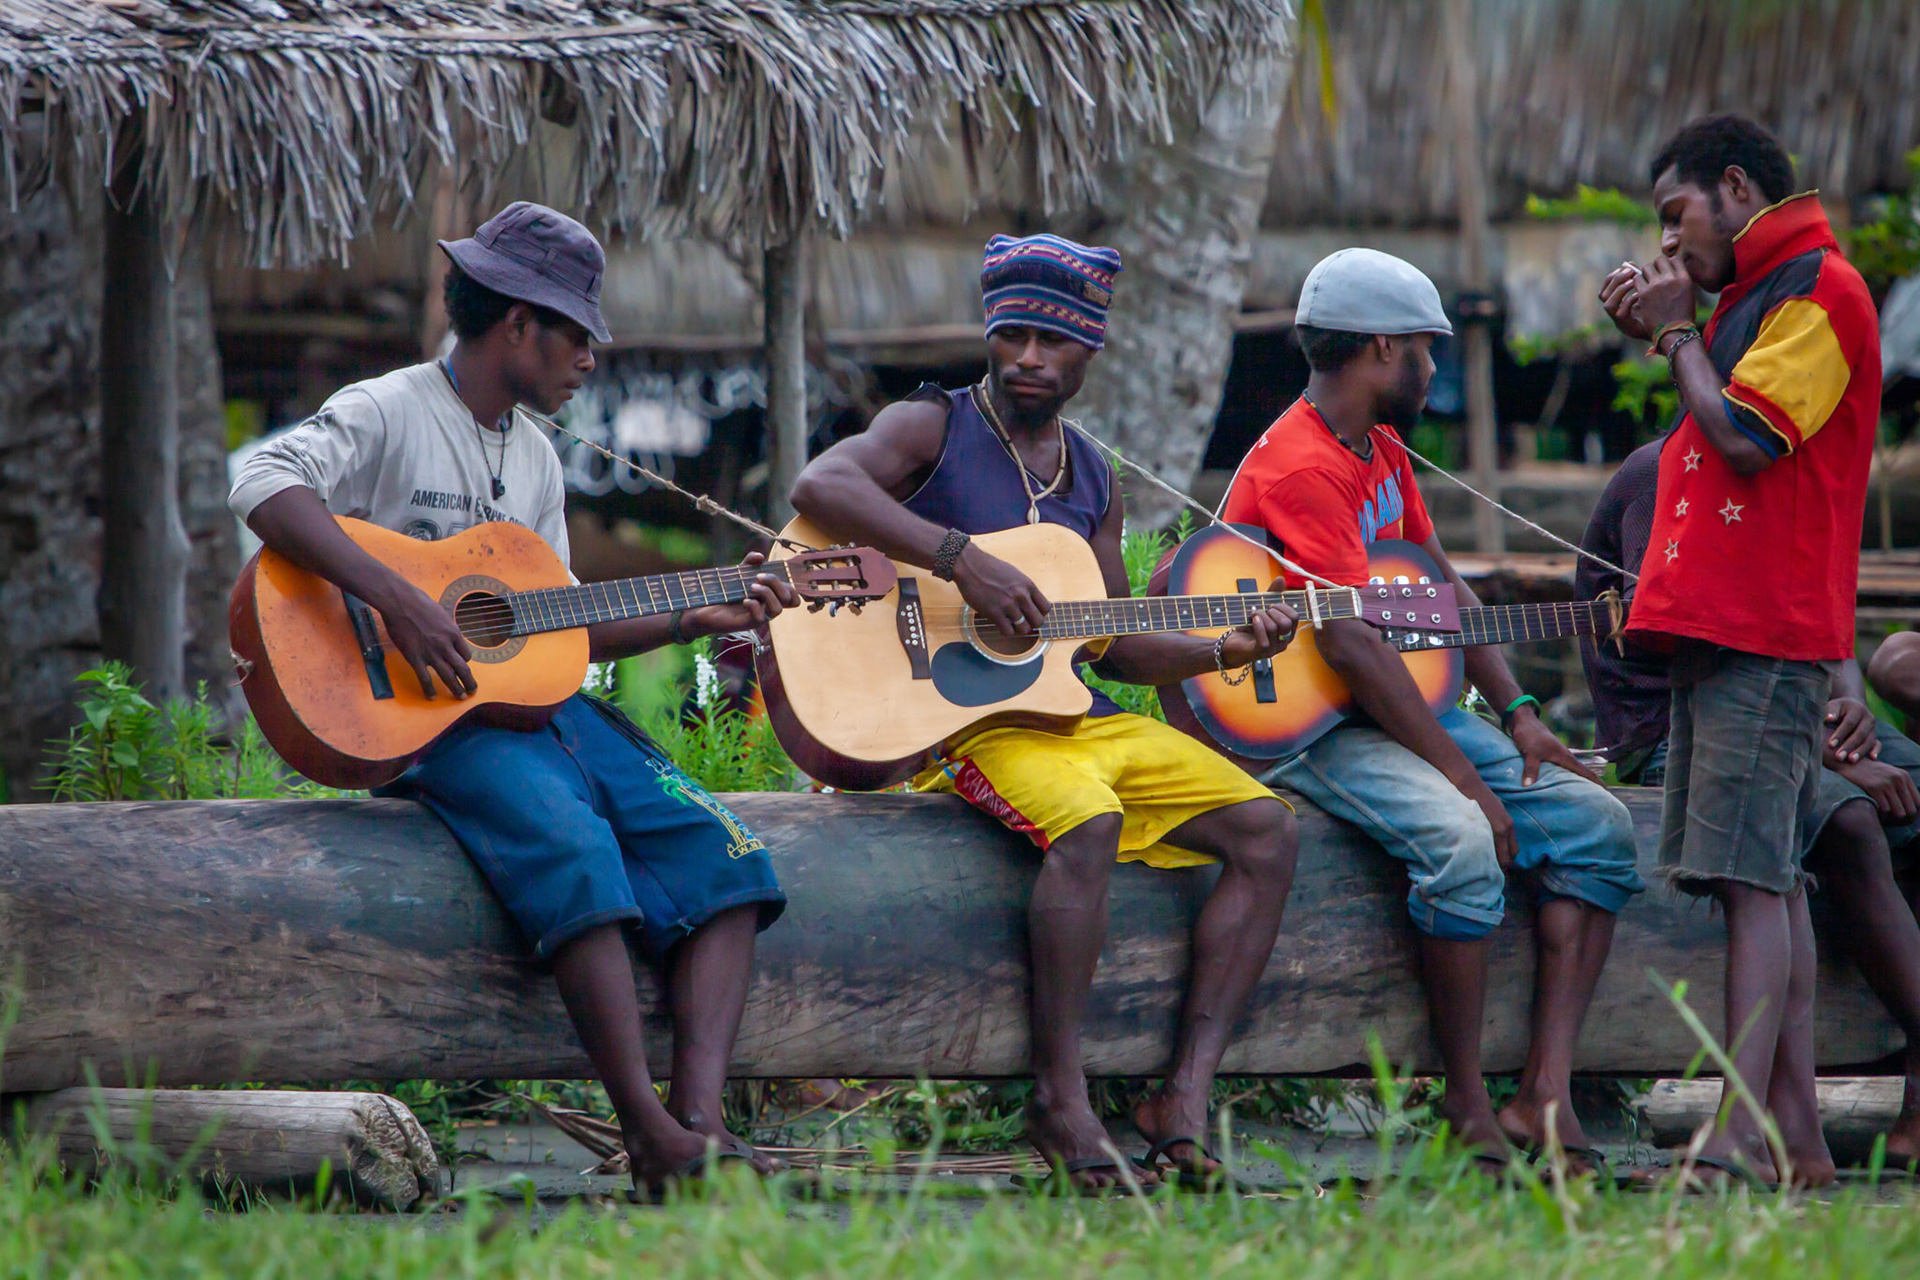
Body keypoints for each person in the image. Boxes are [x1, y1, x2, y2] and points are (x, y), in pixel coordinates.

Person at [228, 203, 796, 1194]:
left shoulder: (534, 454)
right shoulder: (391, 407)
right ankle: (644, 1129)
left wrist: (690, 616)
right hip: (425, 721)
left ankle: (695, 1128)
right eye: (575, 334)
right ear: (519, 323)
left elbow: (553, 620)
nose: (589, 358)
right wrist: (398, 599)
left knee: (732, 858)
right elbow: (261, 479)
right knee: (578, 852)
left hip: (540, 715)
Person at [789, 233, 1302, 1192]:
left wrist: (1225, 649)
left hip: (1073, 713)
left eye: (1053, 341)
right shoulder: (933, 424)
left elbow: (1110, 643)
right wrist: (962, 560)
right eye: (1012, 335)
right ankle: (1060, 1095)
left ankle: (1184, 1098)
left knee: (1268, 831)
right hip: (961, 724)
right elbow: (821, 484)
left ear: (1089, 352)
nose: (1028, 357)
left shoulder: (1091, 476)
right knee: (1089, 821)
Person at [1216, 248, 1645, 1173]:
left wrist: (1520, 712)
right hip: (1308, 723)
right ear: (1382, 348)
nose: (1433, 367)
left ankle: (1545, 1093)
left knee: (1601, 828)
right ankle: (1462, 1099)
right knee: (1459, 841)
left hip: (1390, 702)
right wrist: (1467, 784)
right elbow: (1347, 645)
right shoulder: (1299, 465)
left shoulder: (1378, 448)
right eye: (1426, 348)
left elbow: (1443, 590)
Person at [1597, 114, 1880, 1187]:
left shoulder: (1822, 291)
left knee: (1756, 884)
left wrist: (1676, 335)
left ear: (1736, 186)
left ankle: (1736, 1135)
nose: (1669, 244)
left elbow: (1746, 439)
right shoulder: (1755, 299)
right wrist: (1673, 331)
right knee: (1762, 883)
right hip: (1722, 628)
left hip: (1765, 632)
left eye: (1677, 217)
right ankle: (1797, 1139)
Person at [1581, 438, 1920, 1166]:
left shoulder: (1786, 473)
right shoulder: (1668, 471)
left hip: (1793, 703)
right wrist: (1830, 752)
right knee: (1851, 820)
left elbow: (1818, 599)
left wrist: (1850, 713)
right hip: (1678, 722)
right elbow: (1691, 634)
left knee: (1906, 796)